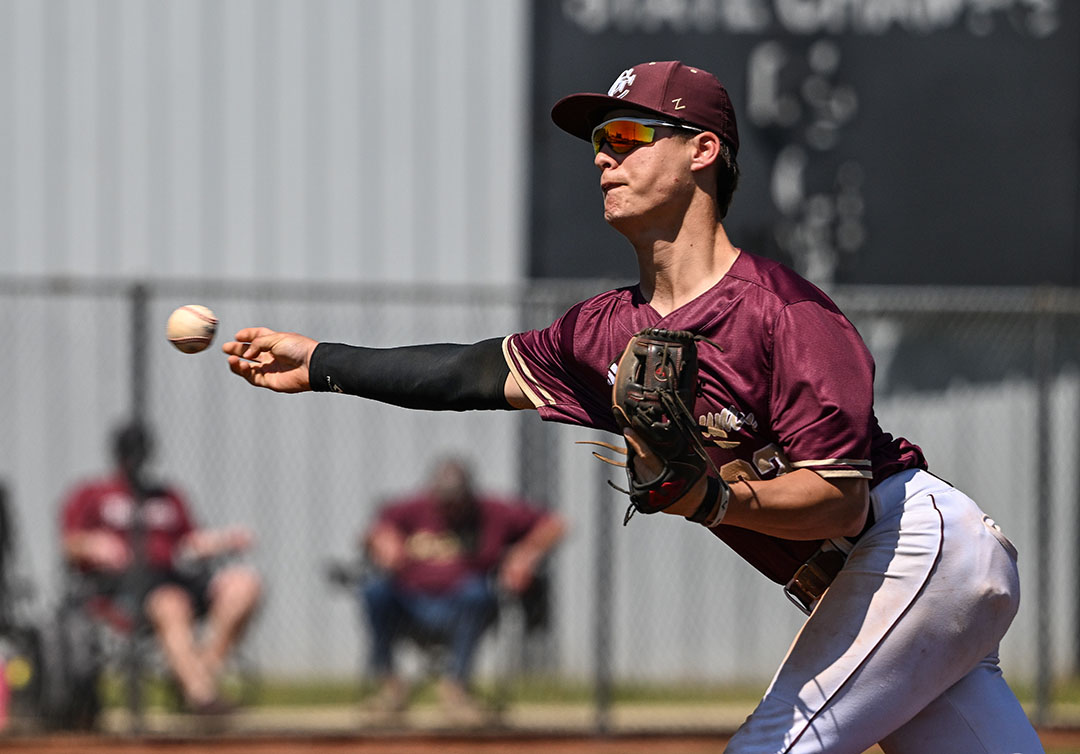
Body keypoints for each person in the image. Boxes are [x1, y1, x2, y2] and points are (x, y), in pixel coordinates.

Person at [221, 60, 1043, 752]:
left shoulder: (784, 312)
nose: (601, 159)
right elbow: (475, 374)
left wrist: (718, 498)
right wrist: (322, 362)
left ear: (702, 151)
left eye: (625, 137)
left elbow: (841, 493)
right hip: (869, 582)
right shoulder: (603, 328)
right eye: (596, 145)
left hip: (914, 546)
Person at [59, 420, 262, 714]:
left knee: (245, 584)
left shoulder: (167, 496)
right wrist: (93, 544)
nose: (135, 460)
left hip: (173, 575)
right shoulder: (92, 494)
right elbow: (69, 544)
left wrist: (226, 539)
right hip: (123, 588)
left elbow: (190, 542)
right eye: (129, 452)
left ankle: (197, 674)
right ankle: (201, 697)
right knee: (170, 603)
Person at [358, 456, 565, 722]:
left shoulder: (492, 512)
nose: (450, 508)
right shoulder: (409, 510)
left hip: (463, 608)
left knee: (477, 592)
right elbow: (371, 533)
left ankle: (456, 690)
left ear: (469, 494)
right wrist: (381, 539)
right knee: (375, 591)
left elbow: (556, 523)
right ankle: (390, 688)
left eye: (456, 501)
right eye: (444, 501)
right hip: (410, 608)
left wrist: (525, 554)